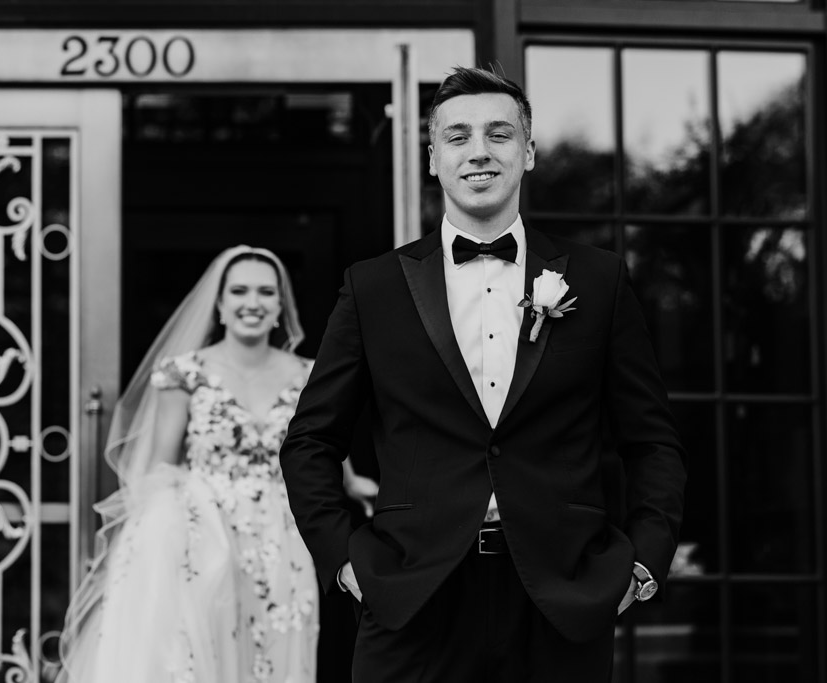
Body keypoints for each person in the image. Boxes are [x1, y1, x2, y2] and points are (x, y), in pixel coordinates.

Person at [279, 67, 687, 682]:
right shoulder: (374, 286)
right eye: (458, 135)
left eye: (499, 134)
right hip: (412, 597)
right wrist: (343, 560)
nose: (479, 151)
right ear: (433, 157)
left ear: (527, 153)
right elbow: (310, 441)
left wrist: (644, 563)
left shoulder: (599, 281)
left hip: (561, 598)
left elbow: (652, 441)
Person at [58, 245, 376, 683]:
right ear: (220, 304)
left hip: (284, 534)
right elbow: (157, 470)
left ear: (281, 304)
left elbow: (319, 450)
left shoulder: (308, 374)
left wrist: (356, 484)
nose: (253, 302)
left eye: (266, 291)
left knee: (278, 651)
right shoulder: (183, 374)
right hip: (204, 534)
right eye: (239, 291)